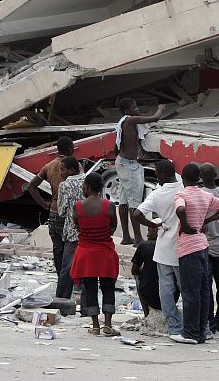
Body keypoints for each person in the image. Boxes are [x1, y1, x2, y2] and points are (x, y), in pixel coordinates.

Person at [174, 163, 219, 344]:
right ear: (198, 178)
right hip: (203, 245)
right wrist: (206, 219)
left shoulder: (181, 194)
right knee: (203, 290)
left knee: (190, 291)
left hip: (189, 247)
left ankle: (190, 333)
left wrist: (185, 225)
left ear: (183, 179)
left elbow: (181, 208)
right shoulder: (206, 195)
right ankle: (201, 331)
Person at [132, 160, 185, 340]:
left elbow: (137, 214)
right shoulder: (185, 188)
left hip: (164, 248)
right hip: (185, 245)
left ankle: (174, 326)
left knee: (166, 289)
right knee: (186, 288)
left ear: (162, 175)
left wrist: (154, 226)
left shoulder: (158, 194)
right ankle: (192, 324)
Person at [70, 173, 121, 336]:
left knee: (90, 287)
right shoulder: (109, 206)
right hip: (105, 252)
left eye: (84, 185)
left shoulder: (78, 206)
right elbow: (113, 227)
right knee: (108, 287)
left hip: (86, 252)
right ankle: (108, 324)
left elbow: (77, 225)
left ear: (88, 186)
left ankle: (95, 326)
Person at [27, 136, 74, 297]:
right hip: (68, 214)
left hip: (53, 212)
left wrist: (43, 204)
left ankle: (60, 280)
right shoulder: (73, 166)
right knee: (70, 250)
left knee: (57, 249)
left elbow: (31, 186)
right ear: (69, 149)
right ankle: (66, 284)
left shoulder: (48, 166)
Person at [114, 98, 164, 245]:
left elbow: (115, 145)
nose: (137, 109)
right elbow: (155, 118)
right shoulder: (130, 121)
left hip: (122, 163)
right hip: (129, 166)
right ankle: (137, 238)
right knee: (134, 203)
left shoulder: (122, 122)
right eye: (134, 107)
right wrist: (160, 107)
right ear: (127, 111)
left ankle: (126, 236)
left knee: (123, 201)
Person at [199, 163, 219, 333]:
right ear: (216, 174)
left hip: (204, 246)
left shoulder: (199, 195)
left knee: (207, 286)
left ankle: (209, 321)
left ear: (200, 178)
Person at [55, 156, 83, 299]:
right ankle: (86, 303)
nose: (61, 173)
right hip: (87, 232)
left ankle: (61, 299)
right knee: (85, 268)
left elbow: (61, 211)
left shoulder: (65, 185)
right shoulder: (87, 180)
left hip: (72, 231)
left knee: (67, 268)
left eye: (63, 169)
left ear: (71, 170)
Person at [131, 226, 161, 317]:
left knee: (138, 277)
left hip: (150, 295)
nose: (147, 235)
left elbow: (134, 271)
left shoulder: (144, 246)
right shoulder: (172, 245)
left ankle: (146, 314)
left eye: (150, 231)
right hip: (172, 296)